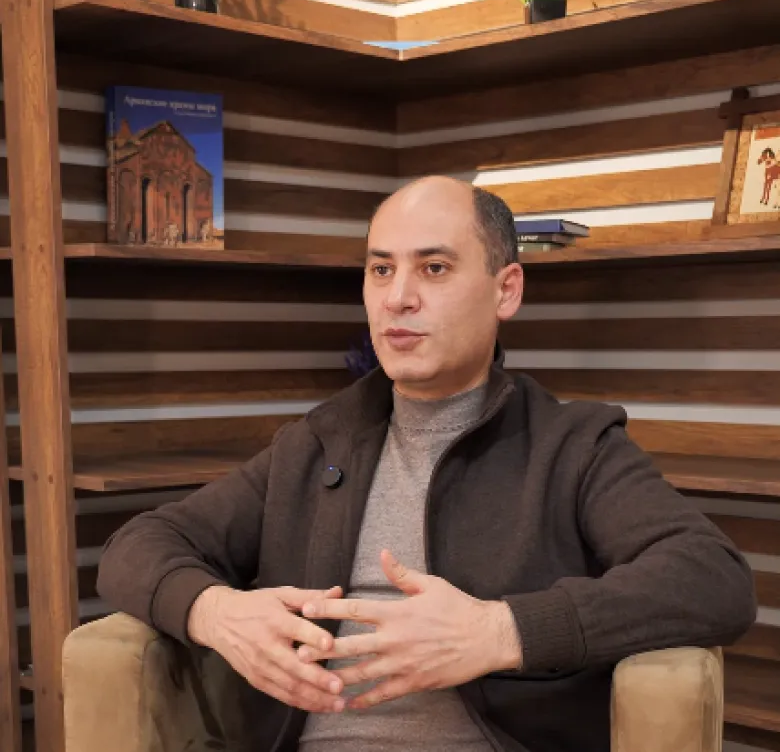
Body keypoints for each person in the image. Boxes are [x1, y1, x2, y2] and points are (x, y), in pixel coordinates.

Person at [97, 176, 757, 752]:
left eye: (434, 268)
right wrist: (216, 612)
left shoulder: (574, 446)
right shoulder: (315, 444)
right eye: (381, 270)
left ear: (506, 291)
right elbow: (139, 545)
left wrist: (499, 632)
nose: (398, 298)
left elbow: (712, 577)